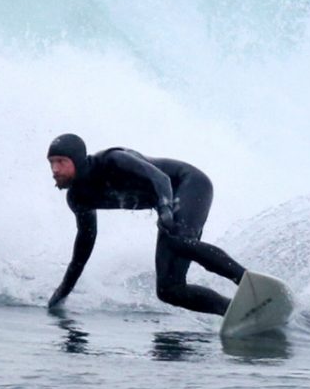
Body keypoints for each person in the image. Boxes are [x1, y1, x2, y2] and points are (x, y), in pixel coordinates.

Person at [44, 133, 246, 316]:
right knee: (169, 290)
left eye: (61, 162)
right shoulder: (78, 198)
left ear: (77, 160)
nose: (55, 169)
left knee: (177, 240)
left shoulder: (113, 160)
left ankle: (246, 280)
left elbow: (161, 179)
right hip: (168, 201)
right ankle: (236, 312)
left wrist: (165, 210)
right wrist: (63, 290)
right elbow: (83, 246)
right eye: (52, 163)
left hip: (189, 184)